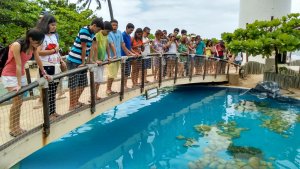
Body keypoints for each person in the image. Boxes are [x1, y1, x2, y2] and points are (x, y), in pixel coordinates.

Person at [1, 28, 48, 137]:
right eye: (38, 42)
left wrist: (44, 72)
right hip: (9, 75)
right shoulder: (17, 45)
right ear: (30, 39)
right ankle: (13, 129)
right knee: (17, 101)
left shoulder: (33, 46)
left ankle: (16, 126)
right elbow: (17, 64)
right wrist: (18, 84)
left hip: (20, 75)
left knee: (19, 102)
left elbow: (38, 59)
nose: (39, 44)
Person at [67, 18, 104, 111]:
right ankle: (72, 105)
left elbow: (91, 47)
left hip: (81, 62)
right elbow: (83, 48)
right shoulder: (84, 31)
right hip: (74, 61)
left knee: (83, 83)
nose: (98, 32)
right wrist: (83, 62)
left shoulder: (92, 33)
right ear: (94, 26)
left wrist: (91, 60)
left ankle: (75, 101)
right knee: (73, 84)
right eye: (98, 29)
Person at [36, 14, 66, 120]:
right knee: (48, 92)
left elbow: (57, 52)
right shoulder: (41, 36)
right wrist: (53, 50)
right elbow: (38, 52)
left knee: (53, 91)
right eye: (52, 25)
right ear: (46, 24)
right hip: (46, 66)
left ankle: (53, 112)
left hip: (56, 65)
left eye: (55, 25)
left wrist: (61, 60)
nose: (54, 27)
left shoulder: (54, 36)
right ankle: (48, 114)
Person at [107, 19, 133, 95]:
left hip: (118, 57)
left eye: (116, 25)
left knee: (114, 74)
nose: (114, 26)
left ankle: (110, 89)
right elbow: (111, 45)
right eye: (113, 25)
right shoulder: (109, 33)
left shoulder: (119, 33)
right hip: (112, 57)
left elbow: (123, 45)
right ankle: (108, 89)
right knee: (111, 74)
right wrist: (114, 55)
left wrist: (129, 53)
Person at [92, 21, 113, 100]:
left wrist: (109, 57)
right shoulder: (98, 34)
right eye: (107, 31)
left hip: (102, 60)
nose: (108, 33)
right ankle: (92, 96)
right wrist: (96, 59)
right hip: (97, 61)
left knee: (99, 80)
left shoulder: (106, 36)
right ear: (103, 29)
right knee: (96, 80)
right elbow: (95, 47)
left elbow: (107, 46)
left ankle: (95, 95)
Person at [121, 23, 136, 88]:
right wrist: (130, 53)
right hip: (124, 56)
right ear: (127, 28)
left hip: (128, 57)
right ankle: (123, 85)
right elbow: (123, 46)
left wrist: (134, 52)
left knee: (127, 72)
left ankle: (125, 85)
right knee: (124, 72)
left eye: (132, 30)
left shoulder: (129, 37)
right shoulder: (123, 35)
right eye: (130, 30)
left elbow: (129, 47)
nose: (131, 32)